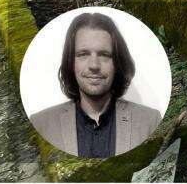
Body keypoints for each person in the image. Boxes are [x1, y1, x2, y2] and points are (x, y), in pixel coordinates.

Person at [28, 12, 162, 158]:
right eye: (83, 54)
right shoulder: (40, 124)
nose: (94, 65)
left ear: (117, 63)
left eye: (104, 55)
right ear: (71, 62)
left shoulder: (150, 121)